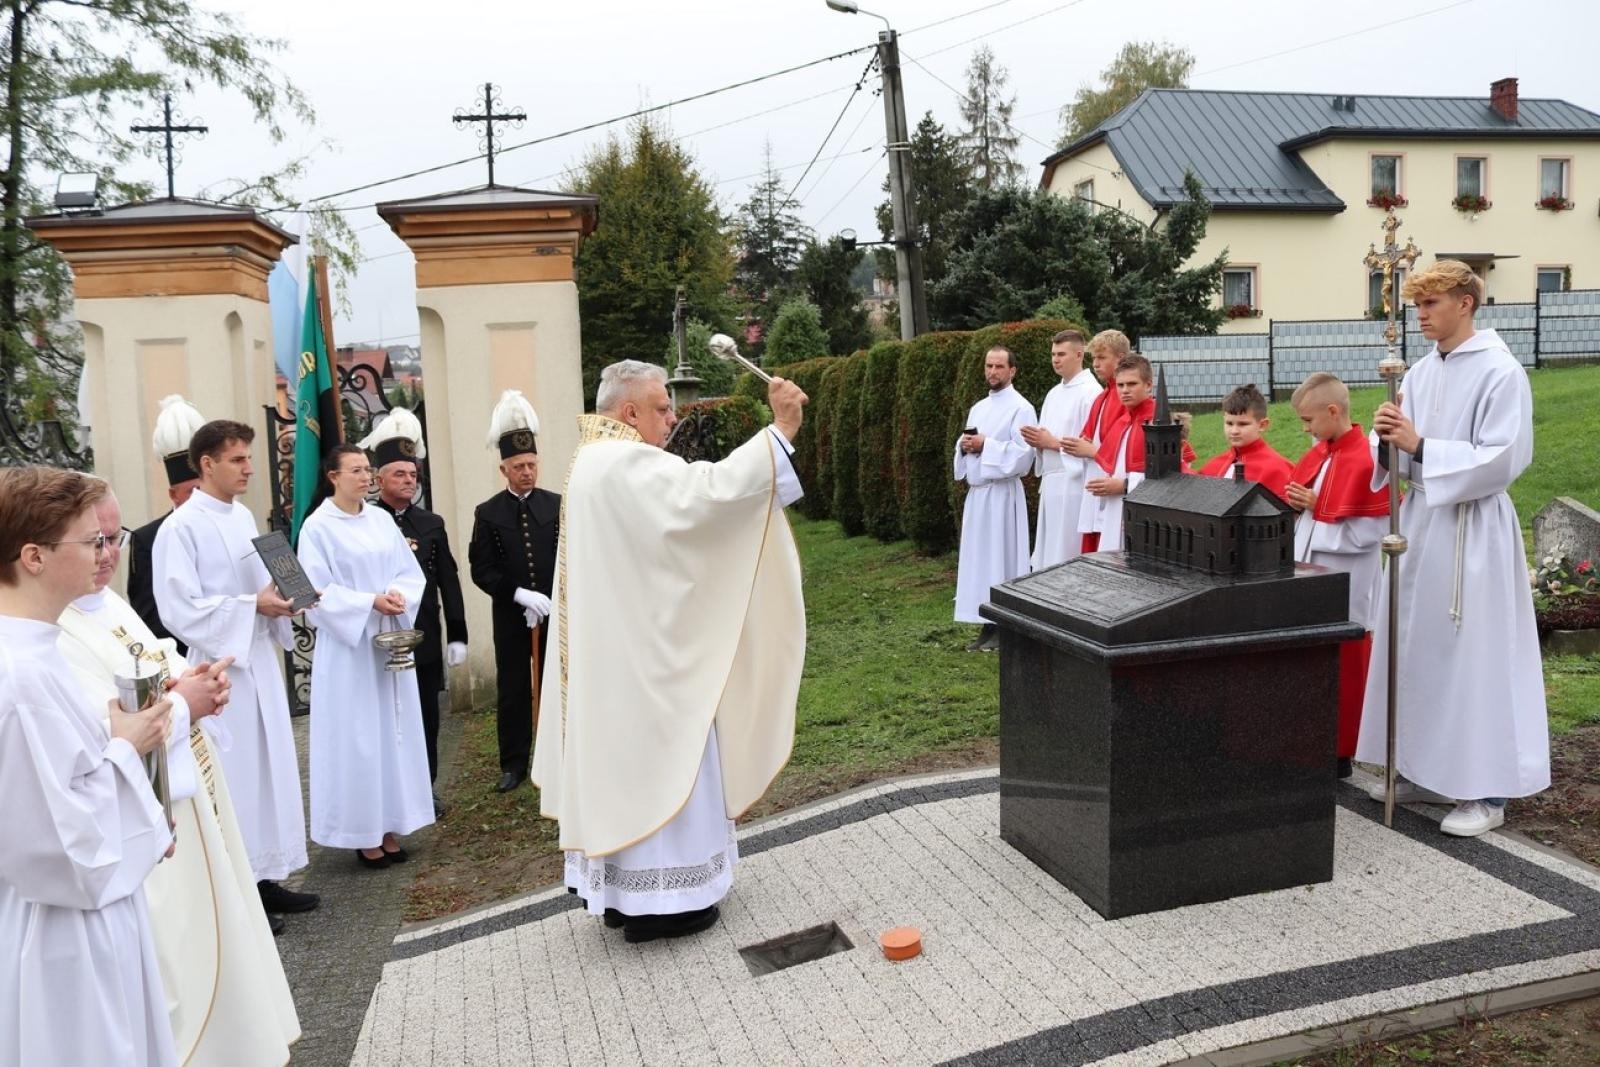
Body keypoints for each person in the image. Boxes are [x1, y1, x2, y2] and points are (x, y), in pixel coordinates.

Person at [532, 360, 807, 944]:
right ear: (629, 410)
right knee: (668, 757)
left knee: (627, 768)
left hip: (619, 653)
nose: (671, 417)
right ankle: (668, 903)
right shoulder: (623, 462)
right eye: (661, 408)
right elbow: (705, 498)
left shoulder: (590, 462)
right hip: (647, 663)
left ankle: (624, 898)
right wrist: (780, 430)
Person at [57, 487, 301, 1065]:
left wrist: (192, 679)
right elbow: (95, 731)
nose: (109, 554)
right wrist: (184, 703)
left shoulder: (108, 603)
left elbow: (155, 660)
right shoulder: (49, 627)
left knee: (215, 937)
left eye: (115, 538)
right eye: (95, 540)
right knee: (175, 966)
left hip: (186, 800)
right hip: (141, 828)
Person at [1357, 259, 1549, 837]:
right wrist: (1386, 439)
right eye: (1416, 305)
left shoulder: (1500, 371)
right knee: (1419, 647)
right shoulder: (1419, 372)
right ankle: (1423, 770)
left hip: (1473, 528)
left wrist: (1421, 446)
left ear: (1465, 303)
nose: (1420, 315)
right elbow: (1399, 454)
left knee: (1473, 655)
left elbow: (1504, 456)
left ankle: (1487, 791)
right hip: (1420, 524)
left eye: (1431, 304)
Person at [0, 465, 177, 1067]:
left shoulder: (36, 647)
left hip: (88, 910)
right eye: (92, 540)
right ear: (34, 556)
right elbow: (57, 844)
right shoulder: (20, 674)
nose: (105, 552)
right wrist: (127, 748)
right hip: (65, 932)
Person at [152, 419, 320, 921]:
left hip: (258, 661)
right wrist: (252, 606)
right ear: (207, 464)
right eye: (238, 459)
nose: (249, 468)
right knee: (237, 779)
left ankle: (267, 877)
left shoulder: (243, 515)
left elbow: (260, 586)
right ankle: (237, 891)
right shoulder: (180, 528)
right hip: (218, 672)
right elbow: (177, 608)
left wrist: (287, 597)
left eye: (249, 457)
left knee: (271, 772)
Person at [298, 444, 434, 867]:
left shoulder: (380, 519)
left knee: (391, 733)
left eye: (367, 469)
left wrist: (397, 595)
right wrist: (367, 602)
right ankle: (362, 832)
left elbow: (408, 572)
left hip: (388, 639)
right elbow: (314, 591)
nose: (365, 477)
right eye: (355, 470)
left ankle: (391, 822)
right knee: (358, 739)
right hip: (349, 649)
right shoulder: (317, 528)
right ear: (333, 477)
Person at [1284, 373, 1390, 781]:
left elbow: (1372, 530)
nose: (1305, 429)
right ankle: (1310, 741)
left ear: (1333, 411)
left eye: (1308, 420)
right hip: (1310, 571)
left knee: (1344, 661)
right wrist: (1302, 507)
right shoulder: (1322, 454)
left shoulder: (1366, 459)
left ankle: (1342, 749)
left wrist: (1318, 503)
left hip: (1348, 578)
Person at [364, 409, 467, 818]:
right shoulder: (367, 522)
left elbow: (448, 581)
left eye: (413, 474)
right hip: (379, 638)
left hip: (422, 635)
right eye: (400, 474)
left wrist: (457, 634)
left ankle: (426, 789)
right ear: (379, 479)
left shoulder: (431, 522)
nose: (409, 481)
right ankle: (391, 794)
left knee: (426, 716)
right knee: (388, 720)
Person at [469, 390, 559, 793]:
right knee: (513, 688)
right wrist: (518, 595)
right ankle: (514, 763)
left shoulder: (556, 505)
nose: (527, 472)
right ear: (503, 468)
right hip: (510, 614)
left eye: (532, 464)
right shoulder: (488, 513)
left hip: (554, 612)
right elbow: (482, 569)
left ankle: (559, 755)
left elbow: (568, 556)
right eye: (519, 466)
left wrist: (550, 597)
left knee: (555, 683)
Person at [953, 346, 1038, 651]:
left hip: (1002, 494)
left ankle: (1005, 624)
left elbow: (1024, 455)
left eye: (999, 366)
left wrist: (985, 445)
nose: (992, 371)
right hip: (979, 496)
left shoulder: (1021, 408)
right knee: (979, 559)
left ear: (1012, 371)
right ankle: (985, 622)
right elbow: (968, 444)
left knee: (1001, 557)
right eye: (989, 365)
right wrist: (964, 446)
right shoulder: (978, 408)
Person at [128, 394, 206, 655]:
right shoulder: (147, 539)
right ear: (174, 494)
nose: (201, 499)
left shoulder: (232, 523)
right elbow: (149, 617)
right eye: (192, 492)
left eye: (204, 490)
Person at [1020, 329, 1100, 570]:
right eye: (1053, 354)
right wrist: (1037, 441)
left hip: (1075, 482)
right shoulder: (1053, 394)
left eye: (1061, 354)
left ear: (1079, 354)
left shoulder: (1091, 392)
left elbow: (1093, 445)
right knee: (1049, 551)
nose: (1055, 359)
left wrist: (1052, 443)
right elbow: (1046, 437)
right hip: (1052, 481)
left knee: (1067, 550)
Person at [1081, 355, 1157, 552]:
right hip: (1115, 510)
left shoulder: (1158, 424)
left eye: (1132, 384)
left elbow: (1170, 477)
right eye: (1120, 385)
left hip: (1144, 514)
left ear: (1149, 385)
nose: (1124, 390)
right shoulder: (1122, 423)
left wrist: (1124, 485)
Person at [1070, 329, 1134, 553]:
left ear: (1120, 358)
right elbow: (1088, 436)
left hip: (1112, 483)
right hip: (1094, 477)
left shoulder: (1124, 397)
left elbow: (1122, 447)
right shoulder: (1102, 396)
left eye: (1101, 357)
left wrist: (1090, 451)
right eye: (1094, 358)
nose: (1095, 364)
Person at [1197, 384, 1294, 501]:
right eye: (1229, 423)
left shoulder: (1277, 470)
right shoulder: (1213, 466)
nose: (1234, 431)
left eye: (1243, 424)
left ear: (1262, 425)